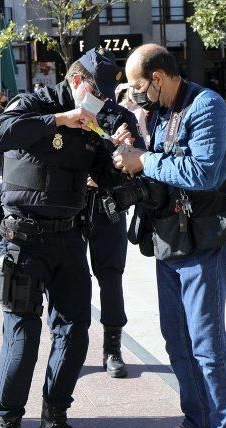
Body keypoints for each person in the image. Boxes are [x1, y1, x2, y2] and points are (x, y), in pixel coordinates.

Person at [0, 48, 125, 428]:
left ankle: (55, 421)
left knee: (75, 330)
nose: (98, 99)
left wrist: (123, 152)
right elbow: (2, 135)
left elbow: (111, 178)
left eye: (104, 94)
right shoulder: (33, 104)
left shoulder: (94, 126)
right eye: (93, 89)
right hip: (23, 240)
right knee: (22, 336)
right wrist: (62, 119)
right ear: (73, 76)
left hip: (69, 239)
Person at [112, 43, 226, 428]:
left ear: (159, 78)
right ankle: (198, 422)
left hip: (204, 242)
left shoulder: (206, 106)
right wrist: (133, 147)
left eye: (138, 86)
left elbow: (204, 172)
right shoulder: (161, 112)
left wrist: (144, 160)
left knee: (208, 346)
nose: (134, 94)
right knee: (176, 339)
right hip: (169, 239)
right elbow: (160, 164)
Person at [86, 78, 147, 379]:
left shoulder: (123, 118)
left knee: (110, 277)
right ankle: (68, 347)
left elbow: (136, 165)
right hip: (70, 207)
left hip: (107, 207)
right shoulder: (66, 111)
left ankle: (113, 349)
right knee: (66, 279)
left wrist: (117, 159)